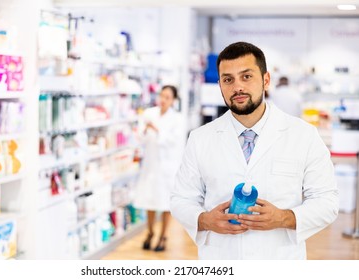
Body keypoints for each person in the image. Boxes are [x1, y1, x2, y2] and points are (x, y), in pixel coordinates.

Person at [170, 42, 338, 259]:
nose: (237, 87)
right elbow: (181, 199)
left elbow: (327, 201)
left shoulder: (303, 135)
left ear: (266, 80)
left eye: (246, 76)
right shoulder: (200, 138)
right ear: (220, 84)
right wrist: (204, 220)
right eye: (228, 79)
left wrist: (285, 218)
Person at [133, 85, 185, 252]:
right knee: (149, 200)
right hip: (151, 164)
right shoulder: (150, 114)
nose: (163, 100)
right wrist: (145, 130)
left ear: (173, 100)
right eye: (162, 96)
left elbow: (174, 142)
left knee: (165, 203)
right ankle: (150, 232)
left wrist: (157, 130)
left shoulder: (177, 119)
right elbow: (140, 135)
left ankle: (163, 236)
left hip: (168, 167)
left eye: (167, 97)